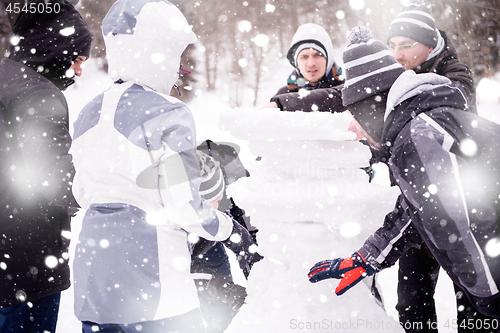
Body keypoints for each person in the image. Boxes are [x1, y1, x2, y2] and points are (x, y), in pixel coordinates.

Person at [308, 26, 500, 330]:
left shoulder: (416, 136)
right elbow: (416, 210)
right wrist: (367, 257)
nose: (355, 129)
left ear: (372, 105)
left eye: (355, 115)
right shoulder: (419, 128)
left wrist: (489, 296)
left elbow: (459, 219)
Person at [70, 1, 233, 332]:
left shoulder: (88, 111)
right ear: (156, 51)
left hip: (93, 276)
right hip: (154, 281)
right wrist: (227, 228)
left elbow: (81, 192)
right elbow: (183, 204)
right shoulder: (170, 113)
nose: (176, 70)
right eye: (173, 57)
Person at [385, 2, 485, 331]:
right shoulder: (397, 78)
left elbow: (440, 104)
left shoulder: (455, 76)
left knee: (474, 299)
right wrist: (286, 100)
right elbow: (350, 93)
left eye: (406, 46)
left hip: (464, 205)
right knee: (412, 301)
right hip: (418, 204)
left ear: (429, 46)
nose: (397, 54)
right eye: (392, 46)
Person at [0, 1, 92, 332]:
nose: (79, 71)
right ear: (56, 45)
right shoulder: (37, 95)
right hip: (28, 265)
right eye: (79, 59)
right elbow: (59, 182)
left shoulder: (6, 78)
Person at [191, 147, 262, 333]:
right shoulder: (167, 228)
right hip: (156, 269)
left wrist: (260, 279)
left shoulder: (233, 181)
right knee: (209, 300)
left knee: (224, 312)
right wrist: (227, 290)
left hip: (205, 238)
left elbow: (244, 237)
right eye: (215, 200)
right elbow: (183, 271)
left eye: (221, 195)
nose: (221, 199)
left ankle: (223, 324)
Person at [261, 23, 345, 112]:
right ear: (297, 63)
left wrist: (283, 104)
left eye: (317, 55)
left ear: (328, 60)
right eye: (304, 57)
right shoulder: (283, 94)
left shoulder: (347, 89)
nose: (311, 63)